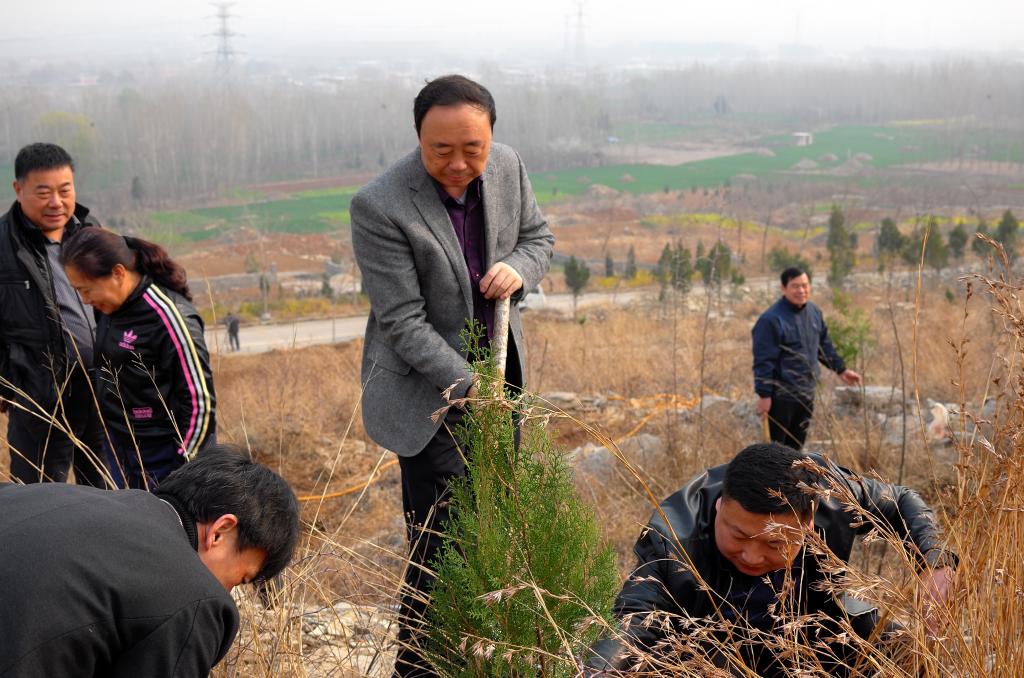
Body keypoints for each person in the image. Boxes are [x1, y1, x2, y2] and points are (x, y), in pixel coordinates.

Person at [350, 74, 554, 677]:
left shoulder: (509, 168)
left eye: (474, 148)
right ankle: (420, 666)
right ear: (418, 138)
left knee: (495, 520)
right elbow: (403, 322)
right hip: (428, 396)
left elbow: (539, 239)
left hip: (499, 376)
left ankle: (484, 656)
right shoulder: (381, 205)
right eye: (442, 150)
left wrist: (518, 268)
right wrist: (470, 388)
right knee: (443, 542)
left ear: (493, 136)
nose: (459, 163)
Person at [586, 443, 956, 676]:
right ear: (719, 507)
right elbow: (632, 622)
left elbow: (903, 501)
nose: (751, 555)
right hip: (714, 653)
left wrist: (935, 562)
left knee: (908, 650)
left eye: (775, 544)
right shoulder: (672, 537)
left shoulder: (824, 492)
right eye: (739, 535)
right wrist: (597, 671)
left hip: (814, 635)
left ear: (809, 524)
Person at [0, 445, 300, 677]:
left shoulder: (45, 496)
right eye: (241, 579)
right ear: (221, 531)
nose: (229, 591)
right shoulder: (194, 598)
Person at [61, 228, 216, 489]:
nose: (84, 301)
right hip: (123, 449)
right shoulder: (111, 310)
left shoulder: (169, 316)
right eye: (78, 291)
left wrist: (185, 469)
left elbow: (199, 402)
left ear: (118, 273)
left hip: (167, 455)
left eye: (87, 290)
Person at [0, 142, 107, 487]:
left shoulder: (91, 232)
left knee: (109, 492)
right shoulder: (4, 246)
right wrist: (11, 386)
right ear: (18, 189)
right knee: (40, 497)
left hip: (101, 387)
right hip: (40, 397)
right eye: (43, 192)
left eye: (65, 190)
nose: (56, 203)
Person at [752, 267, 861, 449]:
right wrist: (764, 395)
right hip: (781, 397)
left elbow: (823, 346)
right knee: (776, 452)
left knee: (796, 449)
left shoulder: (814, 313)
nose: (801, 291)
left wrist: (841, 369)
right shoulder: (770, 320)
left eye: (804, 285)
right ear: (783, 288)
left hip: (806, 393)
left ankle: (792, 478)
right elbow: (763, 361)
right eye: (795, 286)